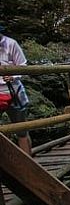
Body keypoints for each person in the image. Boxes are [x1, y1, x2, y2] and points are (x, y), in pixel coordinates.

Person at [0, 24, 32, 154]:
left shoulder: (11, 44)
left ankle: (29, 163)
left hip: (13, 91)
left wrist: (13, 76)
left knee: (21, 129)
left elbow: (22, 65)